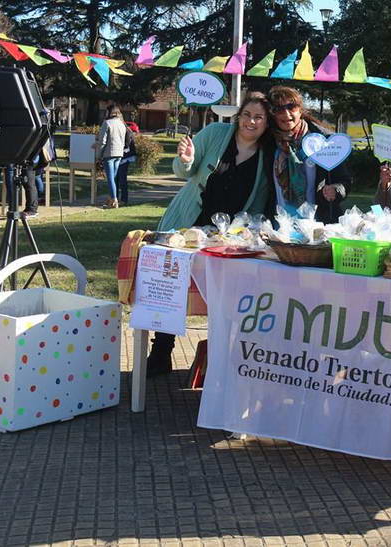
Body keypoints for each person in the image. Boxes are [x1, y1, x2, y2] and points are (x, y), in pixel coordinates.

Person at [148, 92, 277, 377]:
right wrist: (185, 159)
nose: (251, 122)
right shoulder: (216, 133)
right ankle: (161, 350)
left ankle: (219, 355)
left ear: (267, 123)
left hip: (228, 238)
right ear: (238, 115)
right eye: (246, 115)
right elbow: (184, 171)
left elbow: (260, 202)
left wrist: (246, 233)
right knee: (171, 286)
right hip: (186, 224)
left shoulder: (268, 155)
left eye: (259, 117)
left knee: (225, 292)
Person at [267, 86, 351, 223]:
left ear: (300, 109)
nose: (286, 114)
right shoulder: (267, 143)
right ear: (273, 114)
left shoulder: (325, 141)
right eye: (278, 109)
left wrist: (336, 190)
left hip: (317, 224)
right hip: (279, 226)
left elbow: (344, 180)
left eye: (291, 106)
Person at [95, 104, 127, 209]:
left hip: (109, 153)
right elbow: (123, 140)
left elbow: (102, 141)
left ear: (110, 112)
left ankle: (114, 200)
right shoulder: (122, 124)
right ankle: (111, 198)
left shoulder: (107, 123)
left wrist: (98, 155)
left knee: (110, 178)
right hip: (119, 153)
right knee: (113, 177)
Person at [116, 127, 138, 206]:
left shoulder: (127, 131)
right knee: (116, 178)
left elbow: (127, 145)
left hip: (125, 157)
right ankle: (115, 198)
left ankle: (124, 199)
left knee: (122, 178)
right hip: (118, 156)